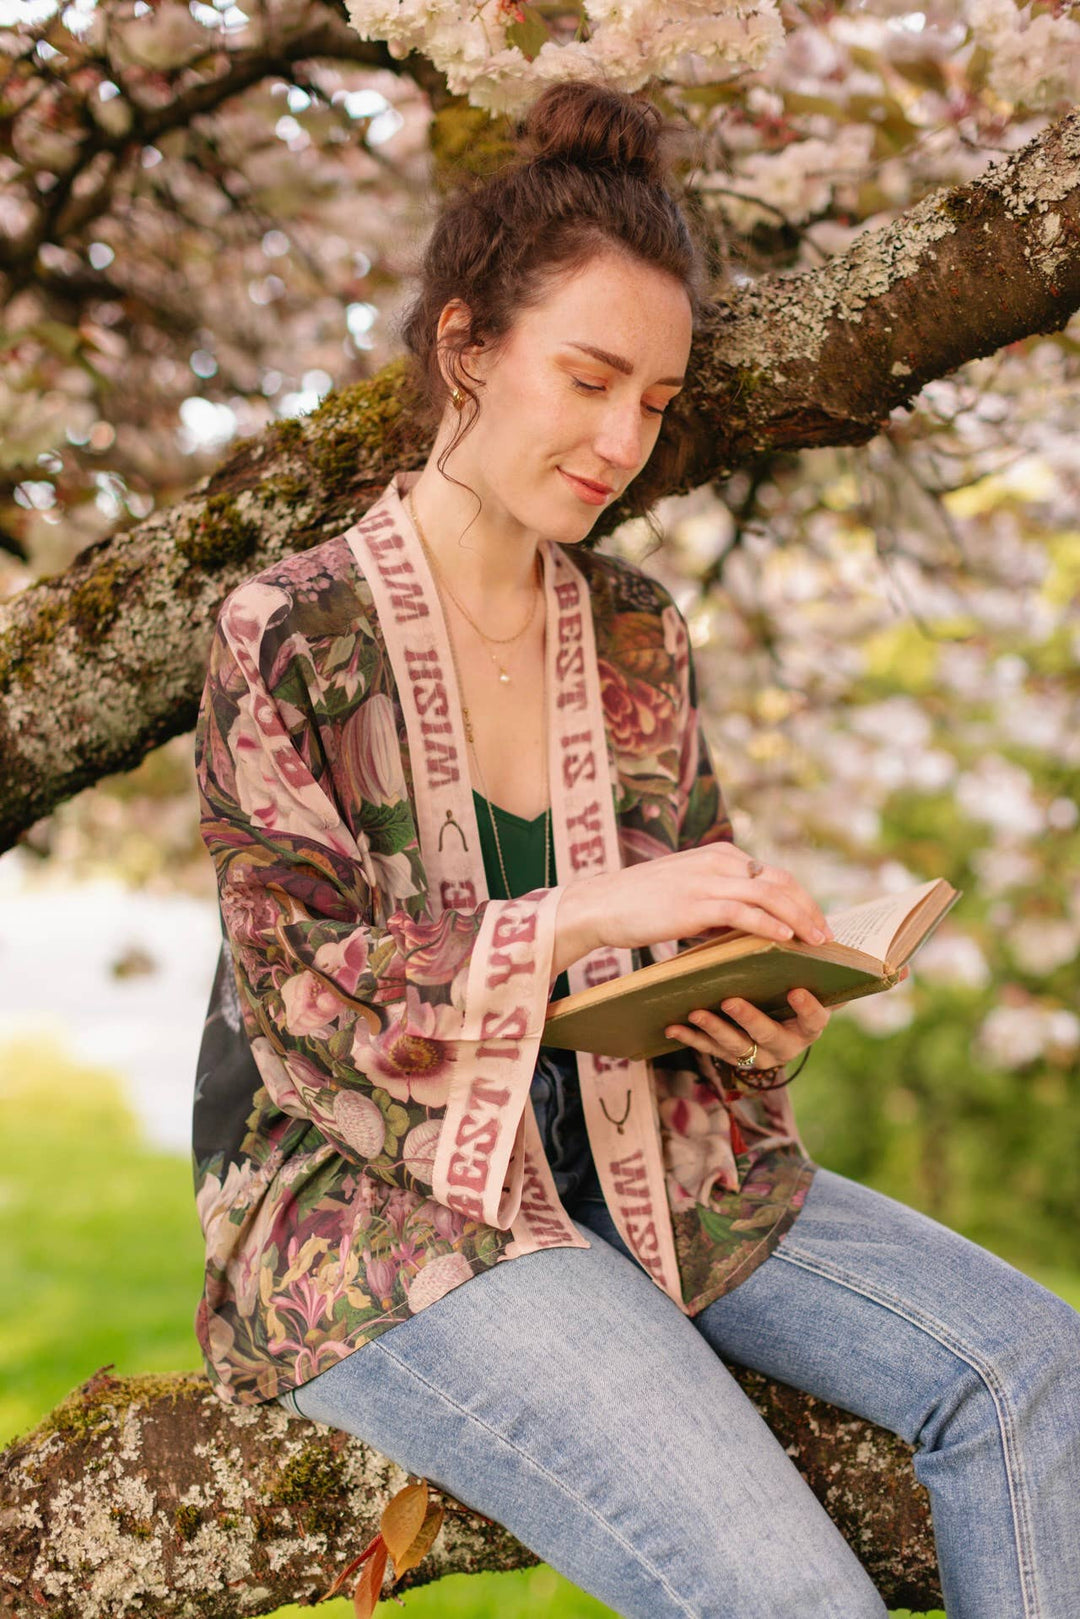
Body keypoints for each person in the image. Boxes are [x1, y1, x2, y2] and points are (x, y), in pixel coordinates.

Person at [192, 78, 1080, 1619]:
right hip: (382, 1197)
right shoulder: (287, 628)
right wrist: (600, 906)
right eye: (590, 377)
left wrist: (753, 1008)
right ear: (465, 344)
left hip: (652, 1141)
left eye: (656, 403)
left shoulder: (638, 630)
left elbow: (674, 934)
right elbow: (304, 992)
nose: (622, 441)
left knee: (1034, 1376)